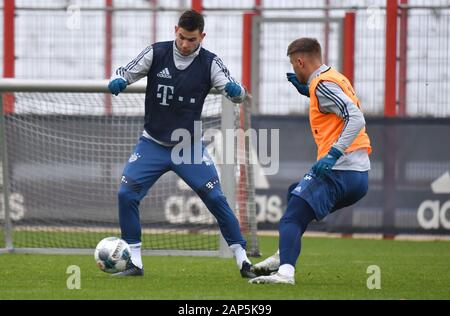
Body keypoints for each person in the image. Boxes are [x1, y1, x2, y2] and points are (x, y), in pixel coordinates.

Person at [108, 9, 256, 278]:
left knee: (216, 198)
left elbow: (233, 87)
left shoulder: (210, 63)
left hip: (187, 147)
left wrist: (237, 92)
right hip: (152, 143)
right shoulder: (156, 52)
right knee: (126, 195)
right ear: (175, 30)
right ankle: (135, 263)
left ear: (202, 36)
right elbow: (126, 71)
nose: (186, 44)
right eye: (182, 37)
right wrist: (118, 80)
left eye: (192, 40)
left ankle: (243, 260)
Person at [249, 38, 372, 285]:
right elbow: (336, 108)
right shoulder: (334, 77)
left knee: (291, 218)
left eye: (294, 66)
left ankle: (285, 273)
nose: (295, 70)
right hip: (359, 176)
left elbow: (356, 118)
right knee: (294, 193)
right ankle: (284, 255)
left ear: (300, 61)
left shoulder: (323, 84)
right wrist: (309, 92)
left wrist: (334, 153)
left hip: (339, 169)